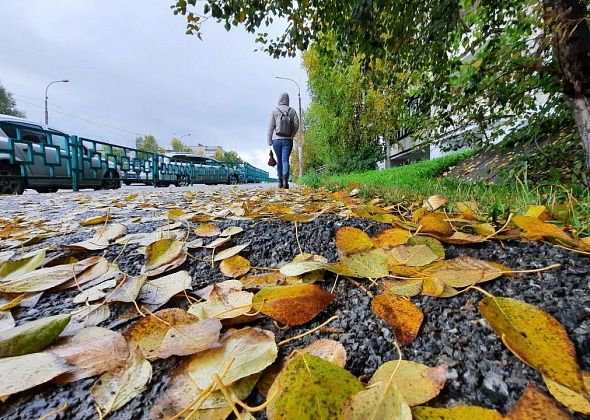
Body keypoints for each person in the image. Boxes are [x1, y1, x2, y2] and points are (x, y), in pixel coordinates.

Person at [267, 92, 299, 189]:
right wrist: (291, 135)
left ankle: (279, 181)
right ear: (288, 99)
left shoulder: (275, 111)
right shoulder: (292, 111)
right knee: (285, 160)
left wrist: (269, 141)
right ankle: (286, 180)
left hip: (276, 140)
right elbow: (296, 124)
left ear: (279, 99)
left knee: (279, 161)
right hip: (288, 140)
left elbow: (270, 127)